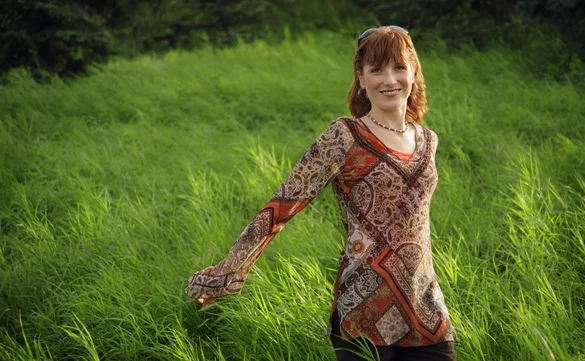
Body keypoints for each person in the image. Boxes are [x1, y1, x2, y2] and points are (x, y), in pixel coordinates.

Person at [186, 26, 457, 361]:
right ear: (361, 78)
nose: (389, 80)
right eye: (376, 70)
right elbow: (280, 208)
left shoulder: (428, 141)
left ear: (414, 71)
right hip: (363, 311)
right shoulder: (343, 136)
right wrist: (227, 273)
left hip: (426, 310)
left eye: (399, 67)